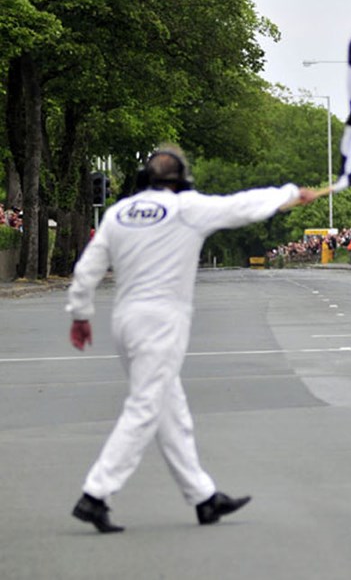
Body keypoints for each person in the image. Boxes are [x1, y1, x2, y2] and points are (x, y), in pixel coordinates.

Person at [66, 144, 319, 533]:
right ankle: (96, 494)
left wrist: (80, 314)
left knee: (171, 409)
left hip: (125, 319)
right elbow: (241, 206)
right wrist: (289, 195)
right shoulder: (187, 210)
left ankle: (203, 497)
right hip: (161, 321)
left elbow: (88, 268)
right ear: (181, 180)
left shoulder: (118, 213)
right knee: (146, 407)